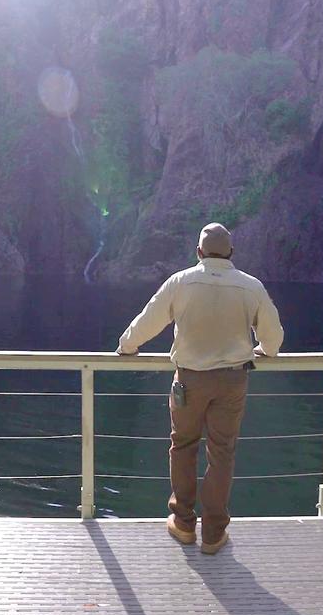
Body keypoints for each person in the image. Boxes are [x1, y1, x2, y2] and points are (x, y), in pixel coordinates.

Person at [115, 222, 283, 554]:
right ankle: (214, 533)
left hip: (189, 380)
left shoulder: (181, 282)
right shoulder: (251, 287)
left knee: (183, 446)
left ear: (198, 252)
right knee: (222, 453)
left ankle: (183, 523)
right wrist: (265, 349)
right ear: (231, 253)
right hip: (233, 380)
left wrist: (127, 346)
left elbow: (148, 320)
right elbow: (273, 340)